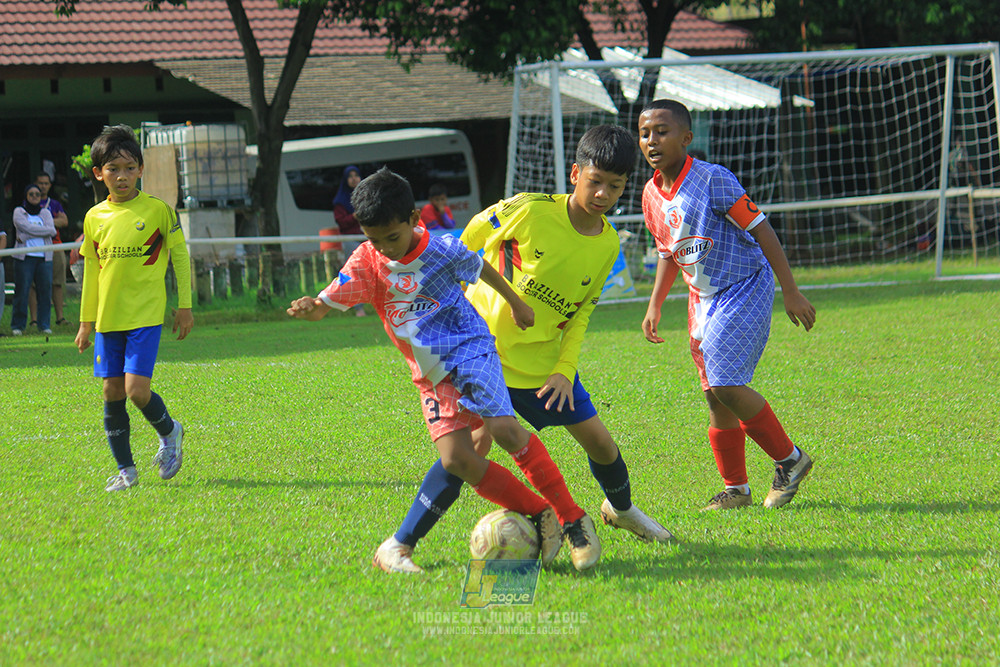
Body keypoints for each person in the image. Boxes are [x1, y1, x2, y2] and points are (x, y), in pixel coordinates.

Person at [288, 167, 601, 573]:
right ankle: (535, 513)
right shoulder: (367, 262)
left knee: (505, 430)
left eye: (392, 237)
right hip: (431, 374)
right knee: (458, 459)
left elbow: (479, 267)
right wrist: (312, 309)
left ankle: (570, 517)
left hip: (471, 348)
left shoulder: (440, 249)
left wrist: (516, 303)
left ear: (415, 220)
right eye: (374, 239)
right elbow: (326, 304)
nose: (385, 248)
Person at [386, 125, 676, 561]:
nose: (603, 194)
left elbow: (581, 315)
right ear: (576, 173)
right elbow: (465, 244)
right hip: (483, 355)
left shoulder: (608, 243)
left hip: (544, 367)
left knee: (599, 442)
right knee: (471, 450)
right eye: (595, 181)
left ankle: (621, 509)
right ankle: (402, 542)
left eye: (614, 187)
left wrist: (564, 371)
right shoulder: (529, 210)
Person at [637, 99, 816, 511]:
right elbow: (669, 252)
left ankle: (790, 460)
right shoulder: (650, 194)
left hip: (744, 286)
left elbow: (761, 228)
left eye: (662, 131)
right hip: (701, 300)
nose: (652, 140)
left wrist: (790, 290)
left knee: (725, 383)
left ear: (686, 137)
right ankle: (736, 489)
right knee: (714, 396)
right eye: (645, 133)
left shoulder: (713, 179)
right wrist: (654, 305)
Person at [74, 124, 194, 492]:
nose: (121, 176)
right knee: (111, 392)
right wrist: (85, 322)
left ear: (141, 169)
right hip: (109, 321)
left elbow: (180, 257)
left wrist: (185, 307)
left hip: (144, 317)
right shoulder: (94, 217)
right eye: (113, 169)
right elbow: (92, 273)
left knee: (136, 391)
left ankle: (170, 432)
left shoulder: (158, 210)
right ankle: (126, 471)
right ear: (99, 174)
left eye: (128, 167)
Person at [10, 184, 56, 336]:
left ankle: (44, 325)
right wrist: (41, 232)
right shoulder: (19, 211)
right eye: (31, 194)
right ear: (26, 196)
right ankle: (18, 325)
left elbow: (52, 230)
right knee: (22, 291)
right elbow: (24, 226)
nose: (35, 196)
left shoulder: (45, 212)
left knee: (45, 291)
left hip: (44, 257)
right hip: (25, 258)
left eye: (38, 194)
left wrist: (26, 235)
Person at [29, 172, 71, 327]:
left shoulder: (54, 204)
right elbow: (24, 224)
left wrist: (42, 221)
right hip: (34, 247)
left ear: (50, 185)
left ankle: (60, 318)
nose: (43, 186)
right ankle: (34, 320)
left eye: (46, 183)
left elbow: (64, 221)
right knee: (33, 285)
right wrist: (50, 224)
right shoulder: (28, 203)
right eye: (40, 183)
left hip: (55, 246)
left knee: (57, 282)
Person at [331, 165, 366, 317]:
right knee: (353, 273)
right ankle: (359, 308)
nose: (354, 179)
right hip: (350, 238)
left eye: (356, 175)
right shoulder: (340, 201)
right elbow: (341, 221)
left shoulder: (366, 196)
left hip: (368, 238)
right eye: (350, 176)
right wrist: (354, 217)